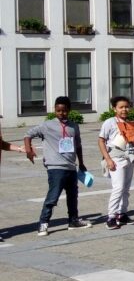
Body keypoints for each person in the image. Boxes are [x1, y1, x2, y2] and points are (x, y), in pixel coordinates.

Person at [26, 96, 92, 236]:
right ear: (54, 110)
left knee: (72, 196)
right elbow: (28, 135)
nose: (61, 113)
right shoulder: (47, 125)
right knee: (53, 197)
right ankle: (43, 223)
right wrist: (28, 150)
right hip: (55, 167)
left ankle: (73, 221)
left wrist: (81, 163)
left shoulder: (74, 126)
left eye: (64, 111)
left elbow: (78, 146)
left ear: (69, 110)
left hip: (71, 167)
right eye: (58, 110)